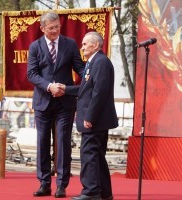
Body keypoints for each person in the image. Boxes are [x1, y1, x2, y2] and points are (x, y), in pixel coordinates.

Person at [27, 11, 84, 198]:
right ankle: (44, 183)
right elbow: (32, 74)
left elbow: (80, 68)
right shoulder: (35, 46)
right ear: (42, 28)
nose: (55, 31)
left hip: (65, 103)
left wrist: (94, 71)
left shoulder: (70, 44)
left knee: (62, 143)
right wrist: (49, 86)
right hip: (43, 103)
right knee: (42, 143)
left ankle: (62, 185)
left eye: (57, 27)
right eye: (51, 28)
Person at [64, 32, 118, 200]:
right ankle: (104, 192)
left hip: (96, 120)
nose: (82, 47)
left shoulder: (101, 62)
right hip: (96, 119)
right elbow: (85, 89)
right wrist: (65, 89)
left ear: (95, 45)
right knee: (97, 155)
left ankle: (91, 191)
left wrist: (90, 116)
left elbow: (99, 92)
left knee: (88, 154)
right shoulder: (92, 62)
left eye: (85, 44)